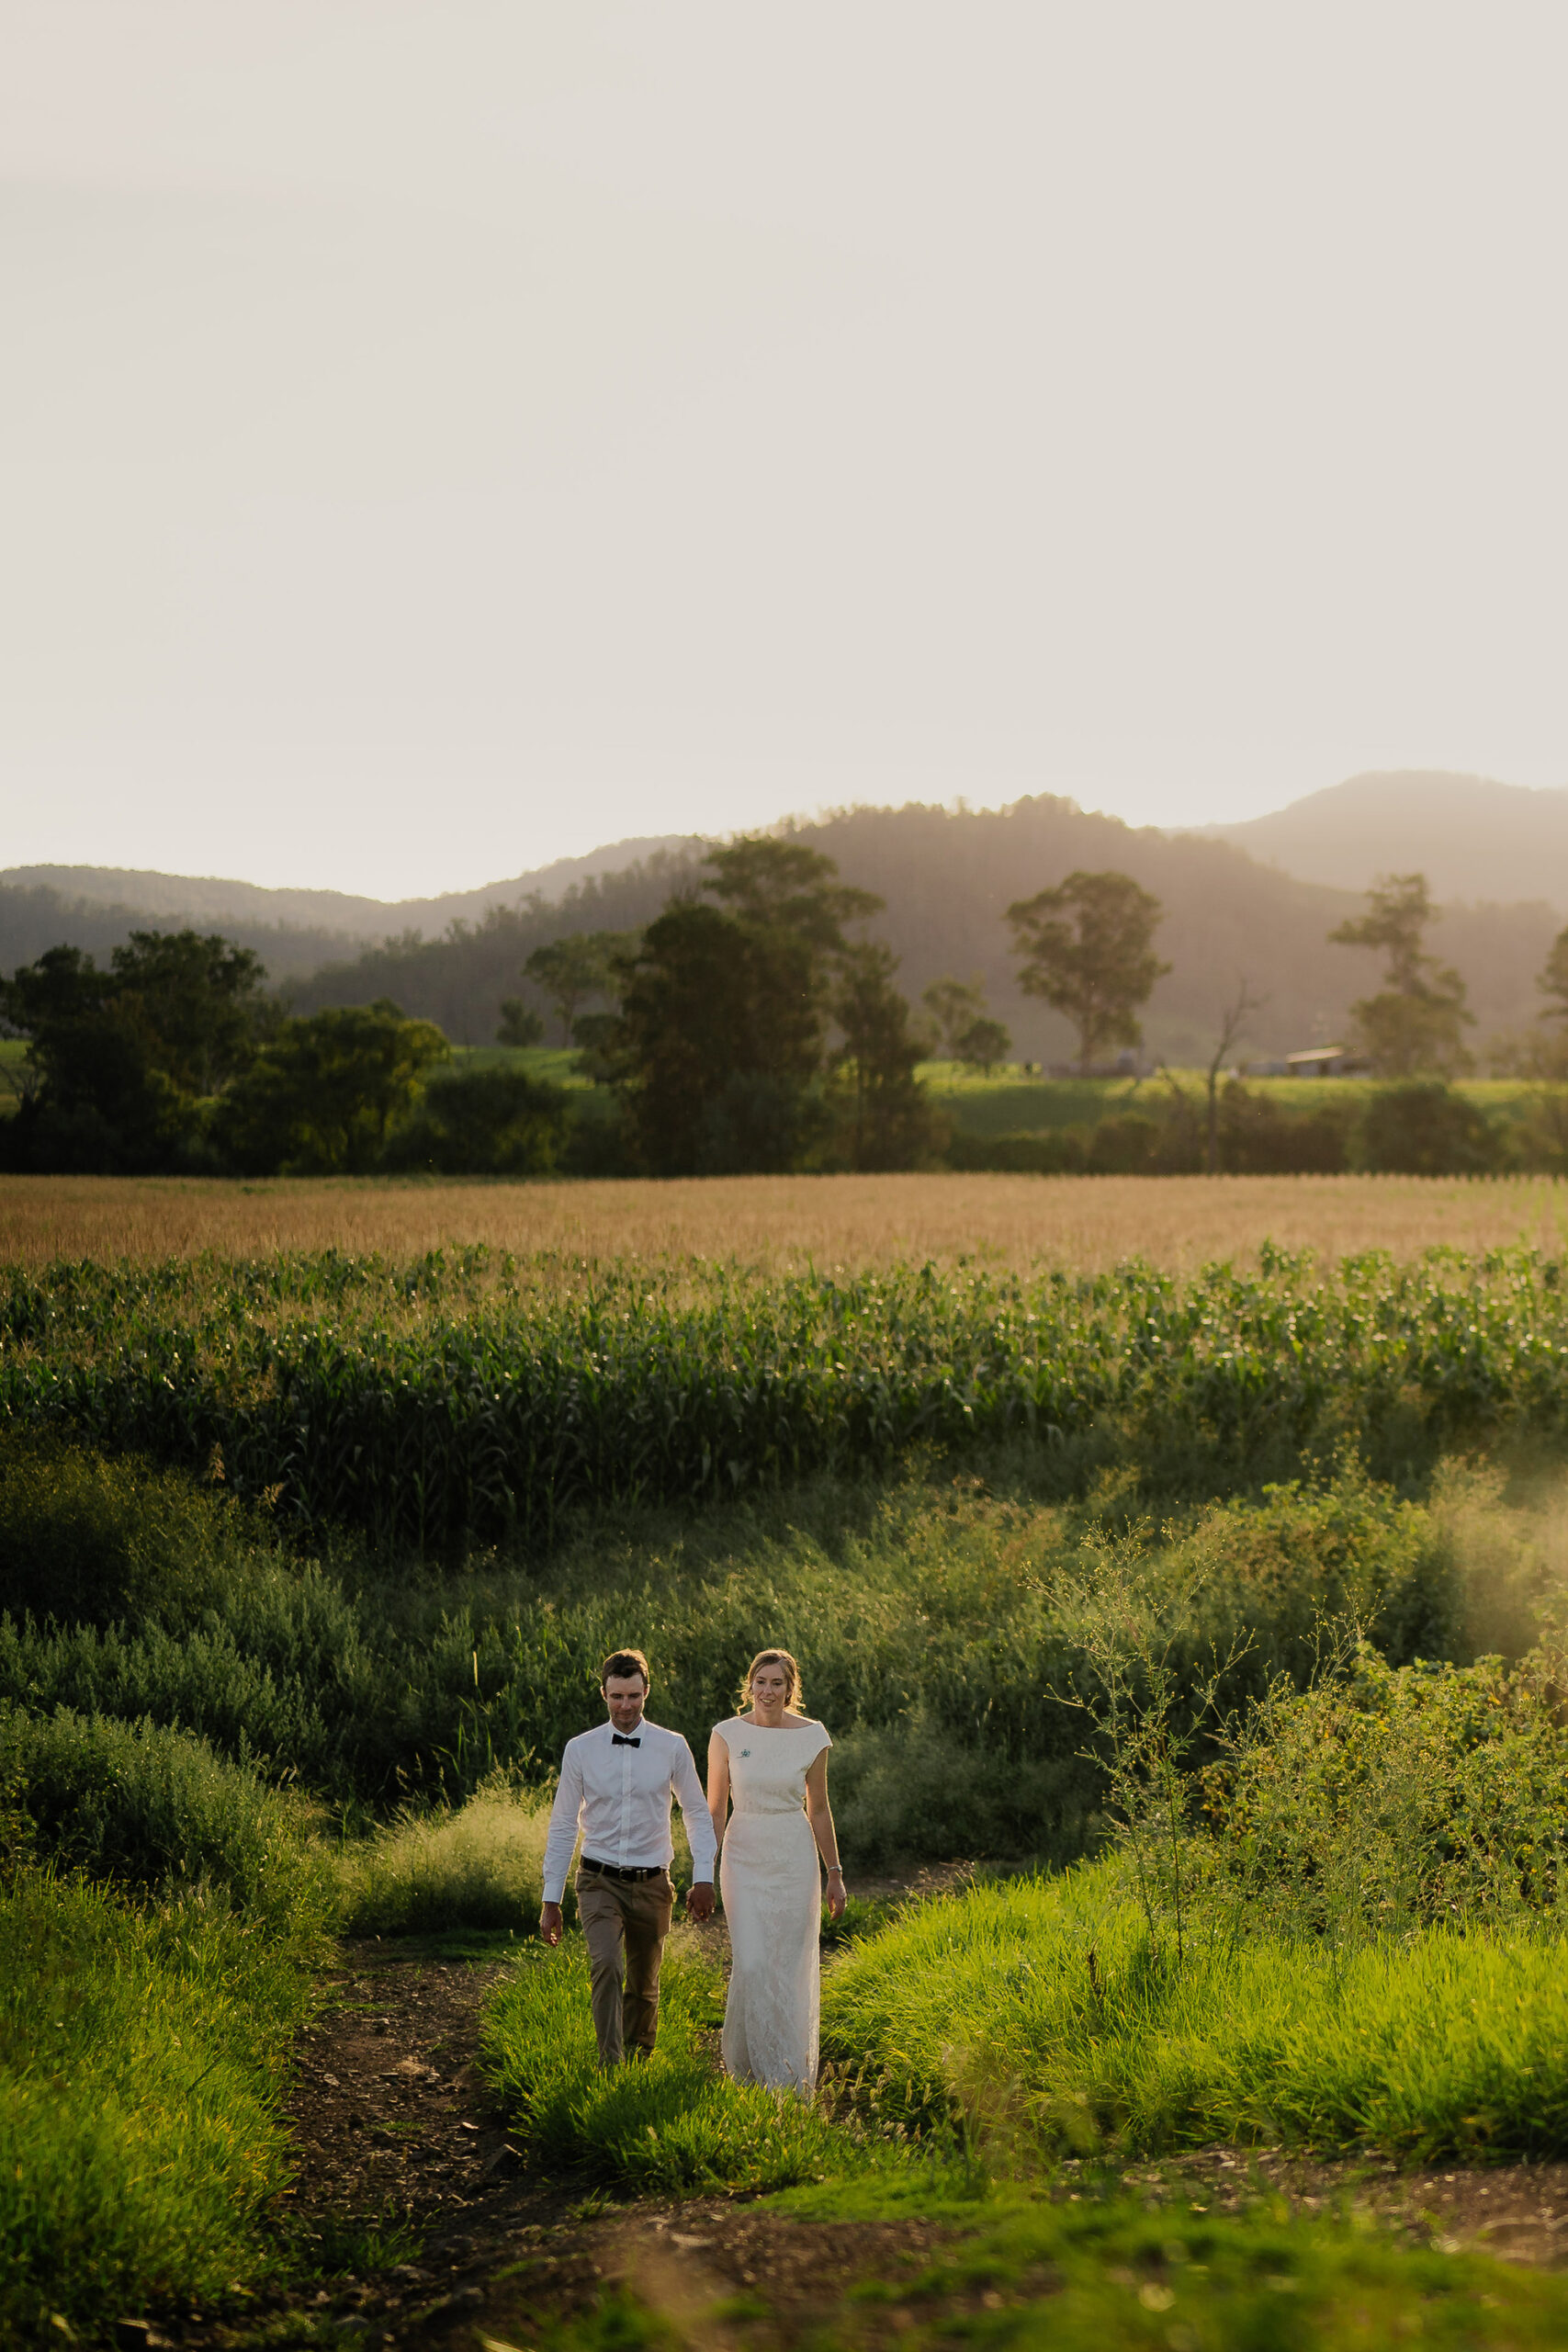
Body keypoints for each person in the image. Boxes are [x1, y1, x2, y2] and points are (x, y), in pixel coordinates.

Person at [539, 1647, 716, 2067]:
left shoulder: (672, 1746)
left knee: (643, 1983)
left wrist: (705, 1877)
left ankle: (638, 2061)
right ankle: (610, 2064)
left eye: (633, 1696)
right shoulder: (580, 1750)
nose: (625, 1706)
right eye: (617, 1696)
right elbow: (563, 1823)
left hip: (653, 1882)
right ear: (603, 1694)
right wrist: (551, 1898)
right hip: (597, 1879)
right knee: (607, 1966)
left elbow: (695, 1810)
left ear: (646, 1692)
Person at [706, 1646, 845, 2095]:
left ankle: (785, 2075)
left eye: (777, 1683)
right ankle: (746, 2065)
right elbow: (714, 1809)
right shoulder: (725, 1734)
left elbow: (820, 1809)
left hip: (793, 1856)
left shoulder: (812, 1736)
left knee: (787, 1965)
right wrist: (701, 1872)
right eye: (760, 1682)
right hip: (743, 1854)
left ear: (791, 1689)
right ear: (749, 1684)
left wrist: (835, 1873)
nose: (767, 1691)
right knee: (753, 1959)